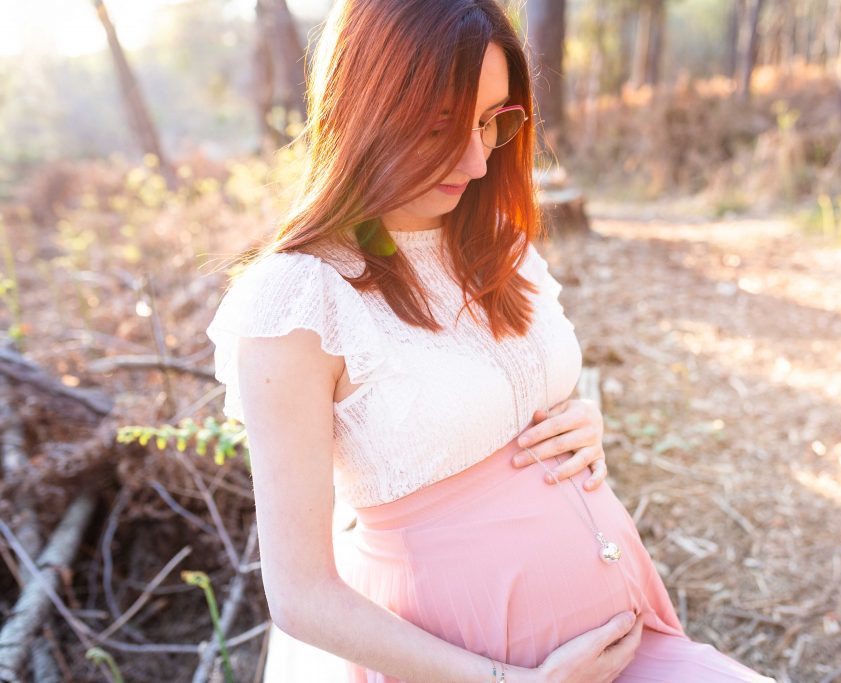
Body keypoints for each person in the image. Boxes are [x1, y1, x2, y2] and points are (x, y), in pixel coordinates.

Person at [205, 1, 777, 681]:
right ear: (367, 104)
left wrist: (584, 423)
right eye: (445, 124)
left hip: (624, 640)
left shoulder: (491, 240)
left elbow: (504, 401)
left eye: (490, 122)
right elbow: (301, 594)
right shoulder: (299, 298)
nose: (477, 160)